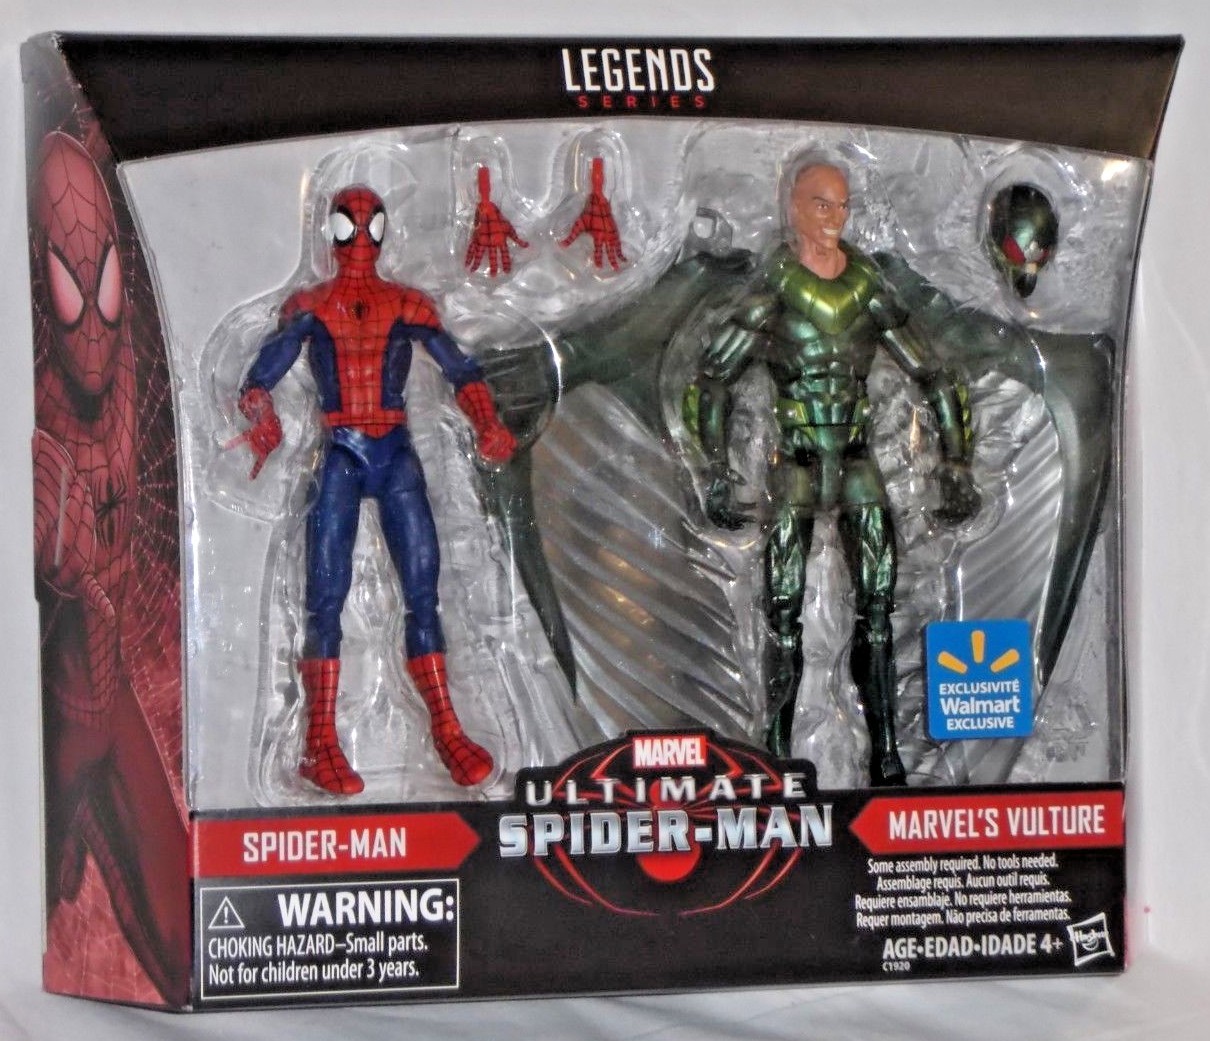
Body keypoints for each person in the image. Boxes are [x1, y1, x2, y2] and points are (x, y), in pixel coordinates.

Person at [691, 161, 978, 786]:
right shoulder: (774, 287)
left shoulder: (867, 286)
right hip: (794, 462)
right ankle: (774, 755)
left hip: (854, 458)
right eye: (822, 205)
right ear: (794, 206)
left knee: (877, 614)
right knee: (781, 615)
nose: (835, 218)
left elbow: (934, 374)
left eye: (842, 207)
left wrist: (955, 463)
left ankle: (886, 755)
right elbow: (713, 378)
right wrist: (714, 470)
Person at [235, 185, 516, 794]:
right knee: (324, 600)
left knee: (422, 593)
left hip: (392, 450)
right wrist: (261, 413)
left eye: (368, 228)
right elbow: (259, 378)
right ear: (332, 232)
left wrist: (487, 422)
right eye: (349, 228)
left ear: (382, 232)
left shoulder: (406, 303)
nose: (359, 240)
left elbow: (461, 368)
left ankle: (446, 727)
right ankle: (318, 742)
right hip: (340, 450)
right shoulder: (310, 305)